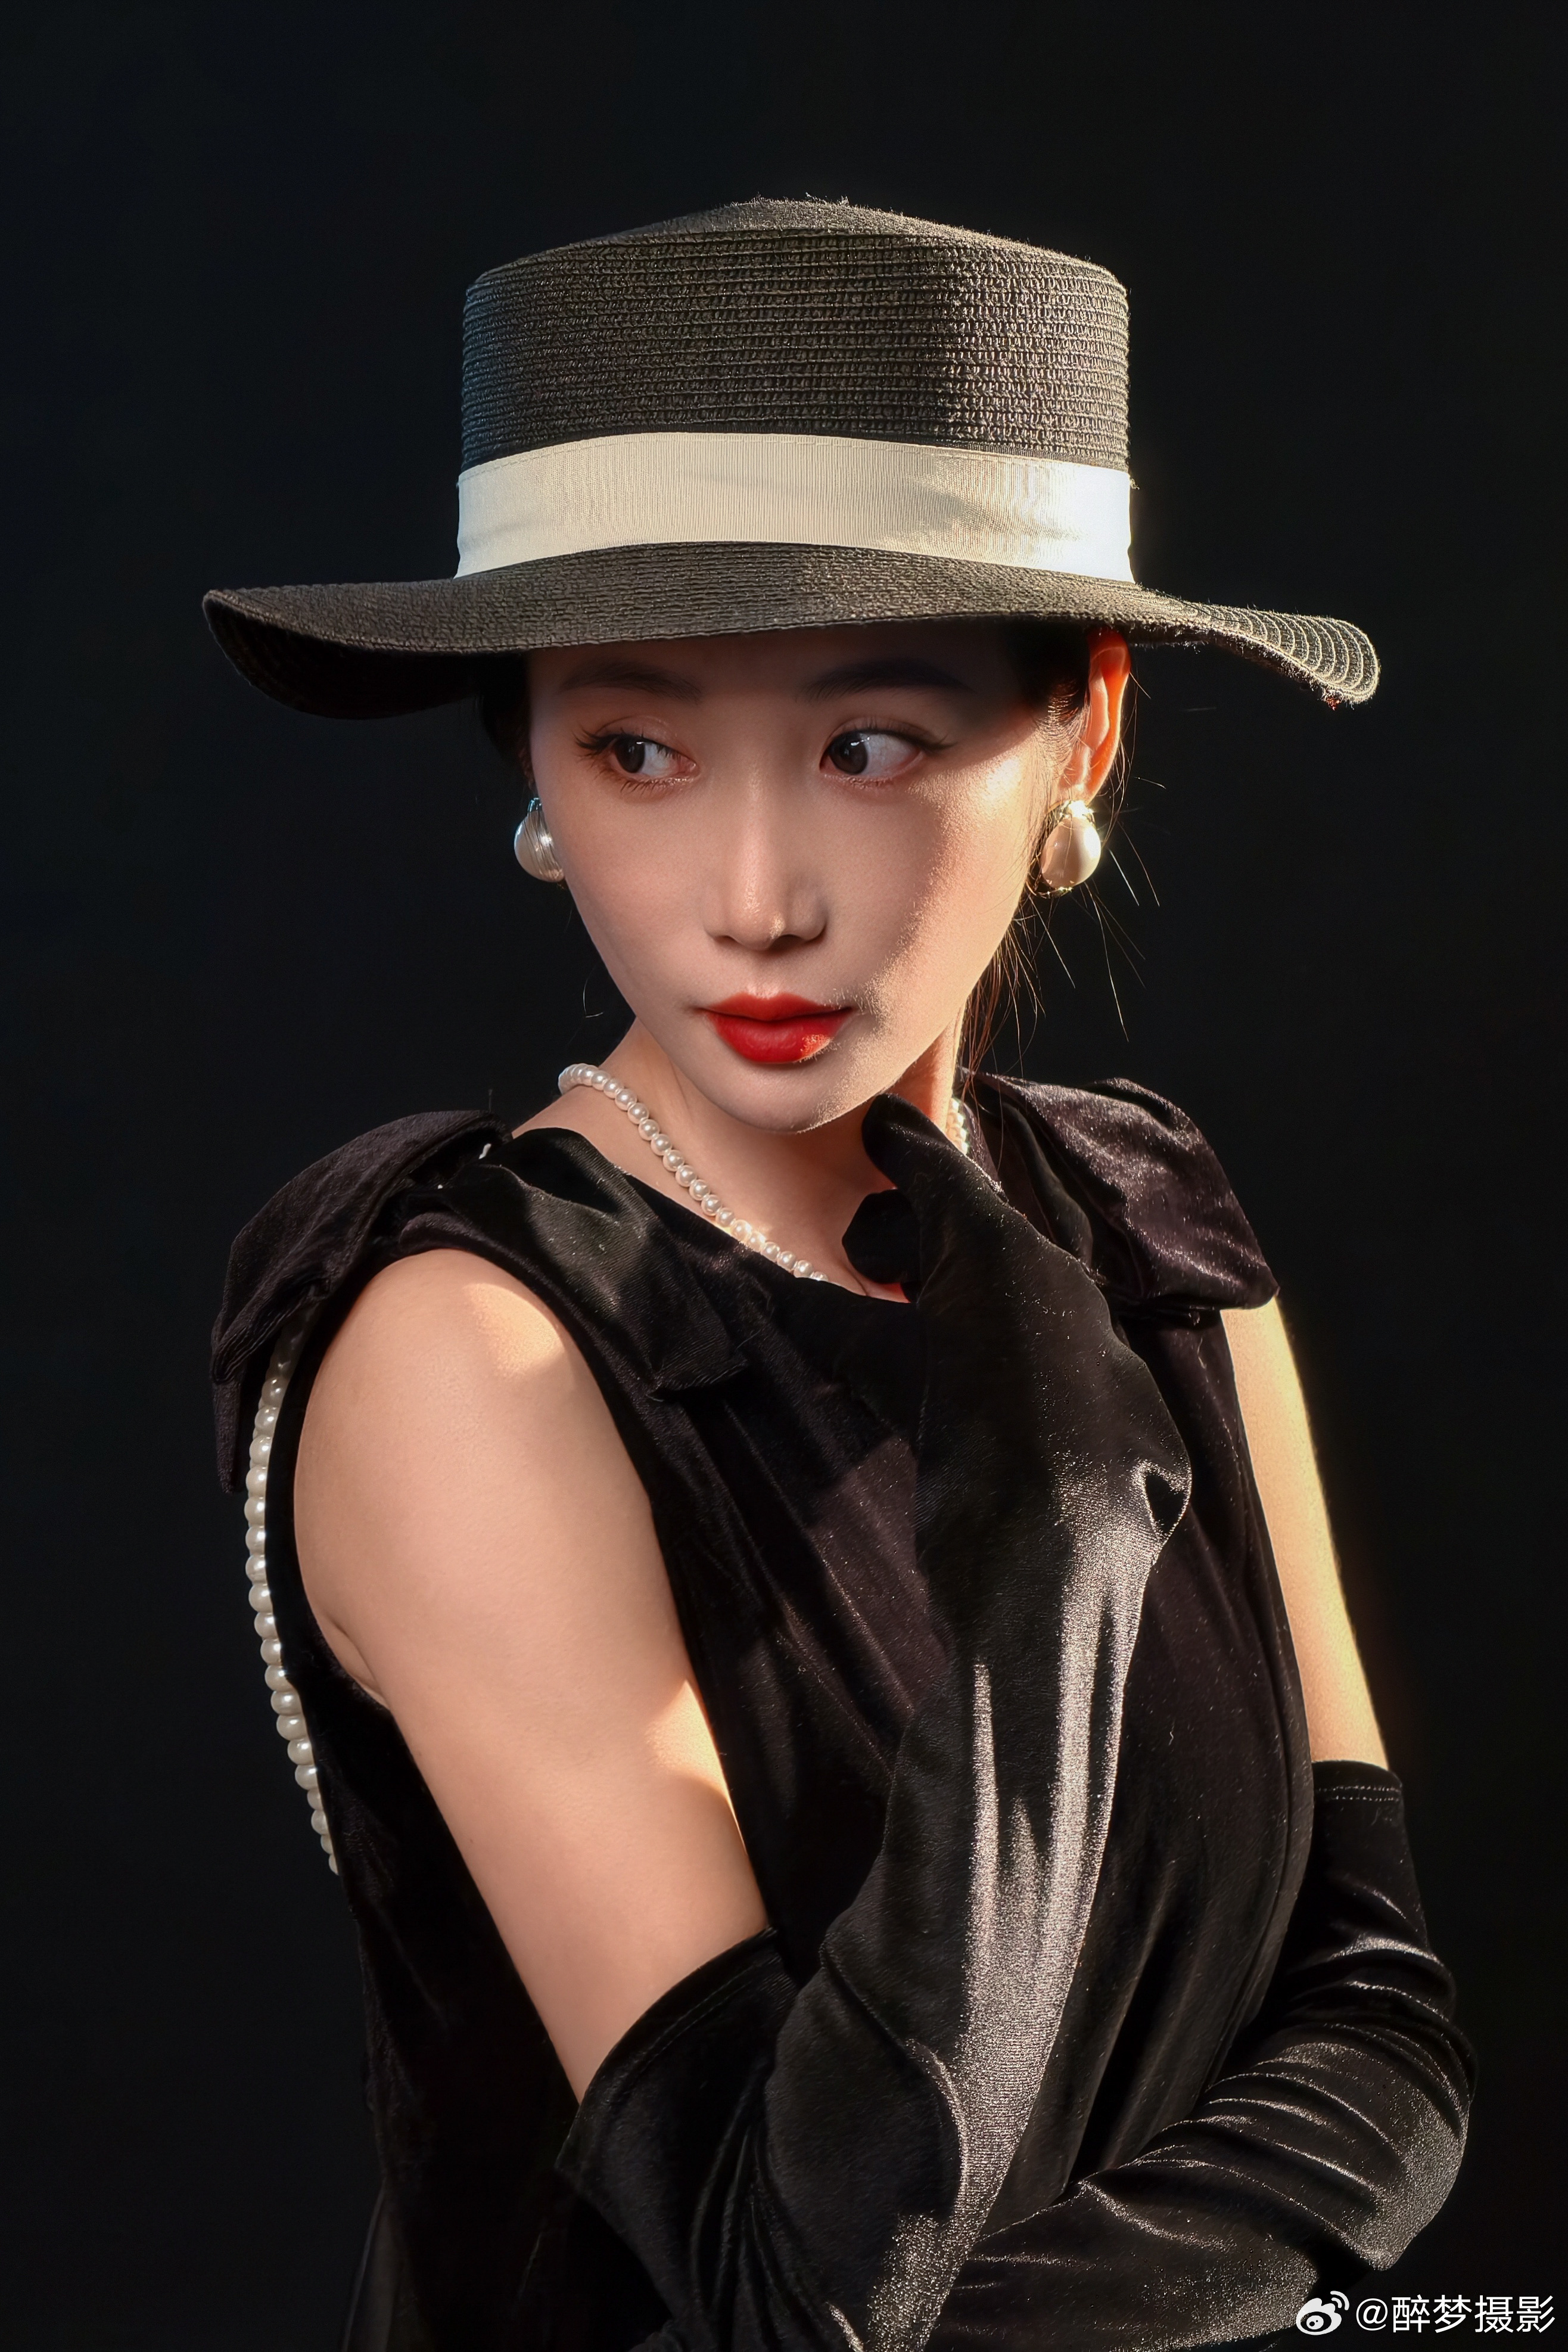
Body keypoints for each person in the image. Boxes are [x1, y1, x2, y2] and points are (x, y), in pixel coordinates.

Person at [207, 200, 1473, 2351]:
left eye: (869, 743)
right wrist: (1046, 1550)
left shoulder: (1151, 1228)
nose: (755, 896)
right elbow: (791, 2288)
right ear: (531, 763)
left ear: (1085, 736)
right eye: (637, 748)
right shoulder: (476, 1352)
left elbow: (1384, 2019)